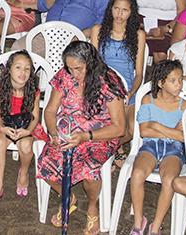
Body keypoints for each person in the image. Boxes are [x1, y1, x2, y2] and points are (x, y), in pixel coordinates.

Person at [37, 41, 126, 234]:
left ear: (90, 63)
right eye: (70, 68)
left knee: (89, 168)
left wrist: (86, 136)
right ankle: (68, 197)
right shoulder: (64, 76)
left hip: (99, 136)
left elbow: (119, 128)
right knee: (45, 162)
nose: (74, 74)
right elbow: (51, 110)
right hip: (68, 132)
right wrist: (53, 133)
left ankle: (93, 207)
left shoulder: (109, 82)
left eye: (78, 68)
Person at [127, 59, 186, 235]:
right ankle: (139, 222)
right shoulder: (148, 100)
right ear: (161, 83)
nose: (179, 84)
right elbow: (145, 132)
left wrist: (157, 125)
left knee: (169, 179)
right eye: (173, 80)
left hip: (174, 149)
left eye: (180, 79)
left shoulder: (184, 106)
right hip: (150, 146)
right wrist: (170, 131)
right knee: (137, 173)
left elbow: (182, 137)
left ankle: (156, 226)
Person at [0, 50, 44, 205]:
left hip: (26, 124)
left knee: (25, 145)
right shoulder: (1, 88)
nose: (22, 72)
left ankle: (23, 172)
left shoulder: (33, 91)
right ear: (9, 69)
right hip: (5, 123)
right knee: (0, 142)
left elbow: (35, 116)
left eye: (27, 69)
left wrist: (28, 131)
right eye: (18, 67)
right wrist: (2, 128)